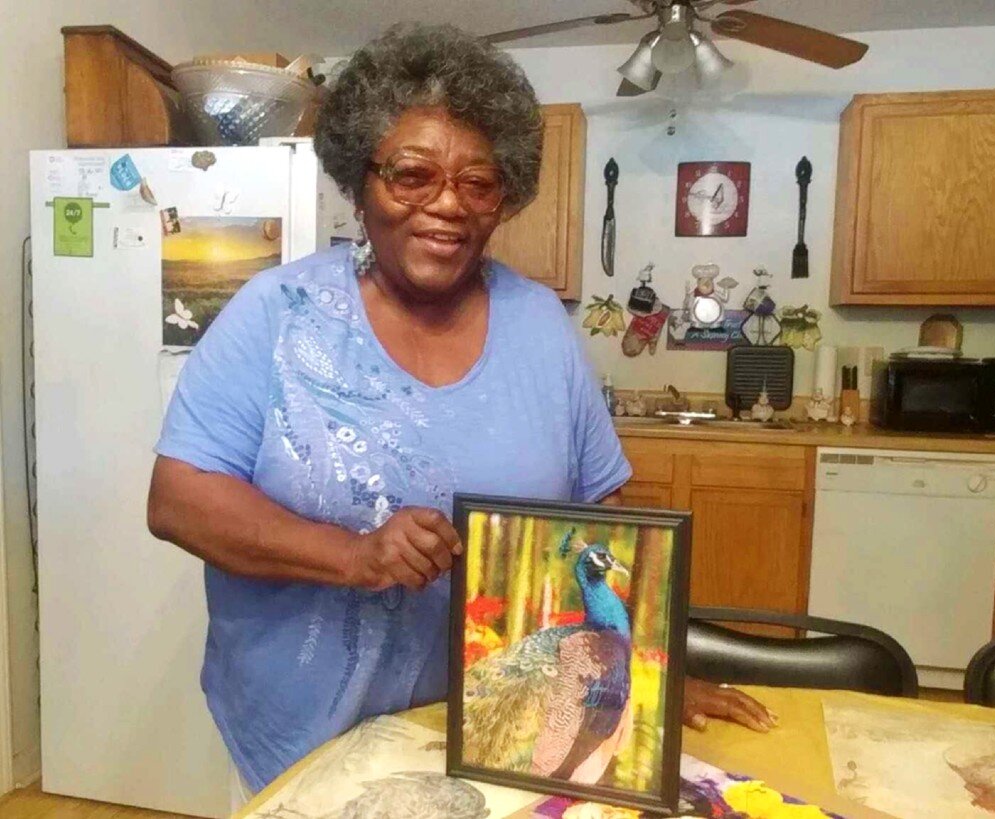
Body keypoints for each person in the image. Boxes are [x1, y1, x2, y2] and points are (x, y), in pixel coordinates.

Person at [147, 23, 774, 806]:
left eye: (478, 183)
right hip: (303, 731)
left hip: (503, 732)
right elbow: (178, 500)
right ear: (359, 180)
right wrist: (353, 555)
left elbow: (605, 521)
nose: (447, 204)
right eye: (412, 175)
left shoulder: (542, 325)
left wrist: (645, 673)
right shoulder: (278, 313)